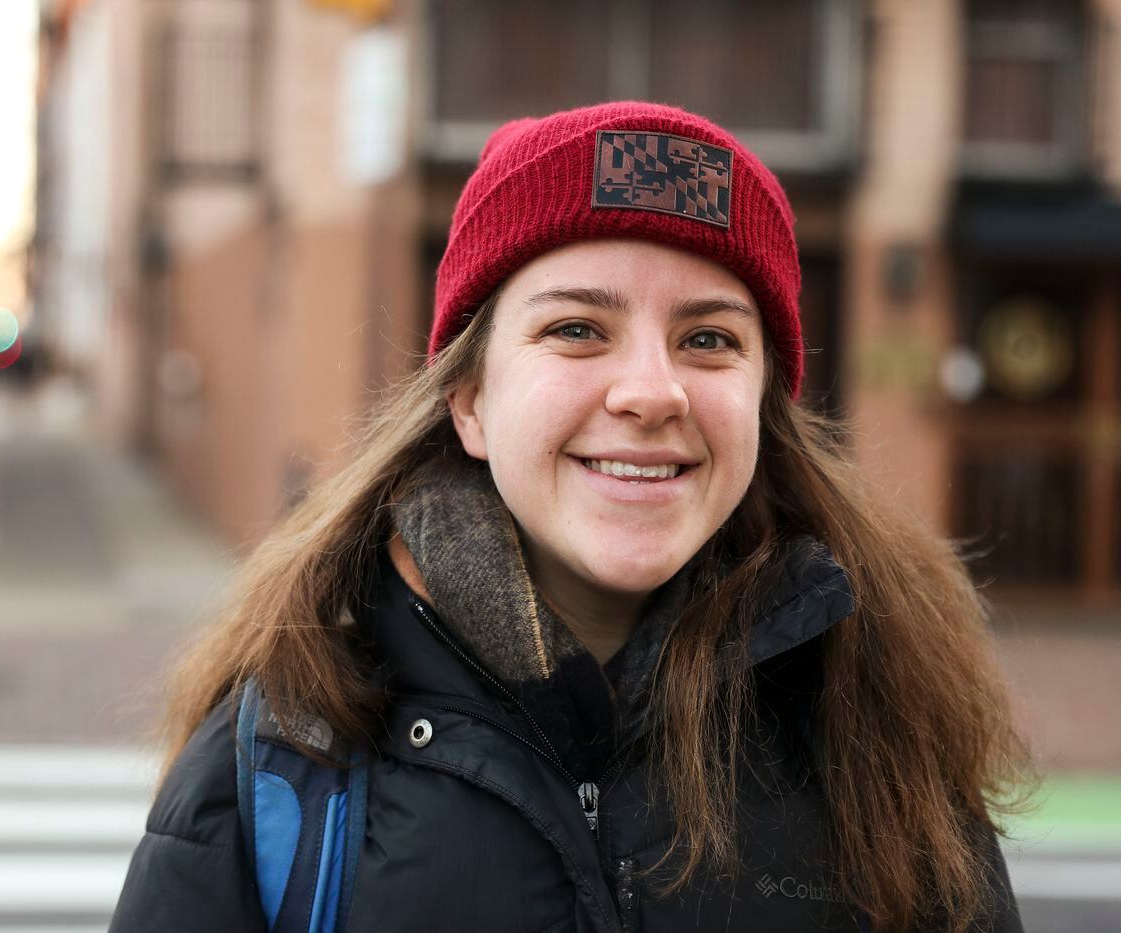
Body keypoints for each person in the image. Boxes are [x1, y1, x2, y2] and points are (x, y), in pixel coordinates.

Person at [110, 102, 1029, 932]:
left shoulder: (881, 720)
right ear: (469, 399)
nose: (650, 391)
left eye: (708, 339)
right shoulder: (284, 748)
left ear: (763, 402)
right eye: (577, 329)